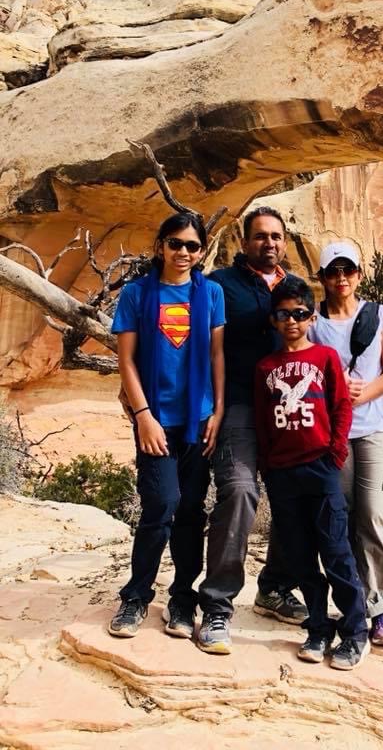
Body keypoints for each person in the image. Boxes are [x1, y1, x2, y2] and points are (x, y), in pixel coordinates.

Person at [108, 212, 225, 639]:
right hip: (156, 419)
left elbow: (217, 356)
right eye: (176, 243)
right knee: (161, 503)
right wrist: (143, 417)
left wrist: (218, 412)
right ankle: (136, 596)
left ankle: (181, 598)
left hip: (197, 420)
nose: (183, 253)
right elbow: (126, 360)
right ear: (161, 245)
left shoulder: (210, 293)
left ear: (201, 251)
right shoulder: (138, 294)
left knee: (192, 511)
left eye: (192, 246)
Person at [196, 206, 307, 654]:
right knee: (240, 491)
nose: (270, 244)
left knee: (297, 496)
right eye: (260, 236)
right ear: (243, 242)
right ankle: (218, 605)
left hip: (287, 405)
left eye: (277, 237)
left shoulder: (292, 287)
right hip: (239, 404)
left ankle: (275, 587)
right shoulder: (220, 285)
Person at [255, 277, 370, 670]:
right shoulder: (266, 367)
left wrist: (335, 454)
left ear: (311, 316)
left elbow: (340, 407)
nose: (292, 321)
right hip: (283, 475)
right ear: (274, 319)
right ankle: (318, 625)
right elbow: (261, 421)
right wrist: (268, 468)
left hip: (320, 468)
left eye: (300, 313)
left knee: (336, 552)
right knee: (301, 557)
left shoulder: (324, 358)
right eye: (284, 314)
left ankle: (355, 630)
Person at [310, 241, 383, 646]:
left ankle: (381, 607)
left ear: (359, 275)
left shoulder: (378, 314)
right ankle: (353, 603)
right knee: (342, 519)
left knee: (373, 514)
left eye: (348, 270)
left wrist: (360, 395)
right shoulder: (312, 322)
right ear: (323, 278)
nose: (341, 278)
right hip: (333, 434)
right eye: (333, 271)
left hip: (373, 428)